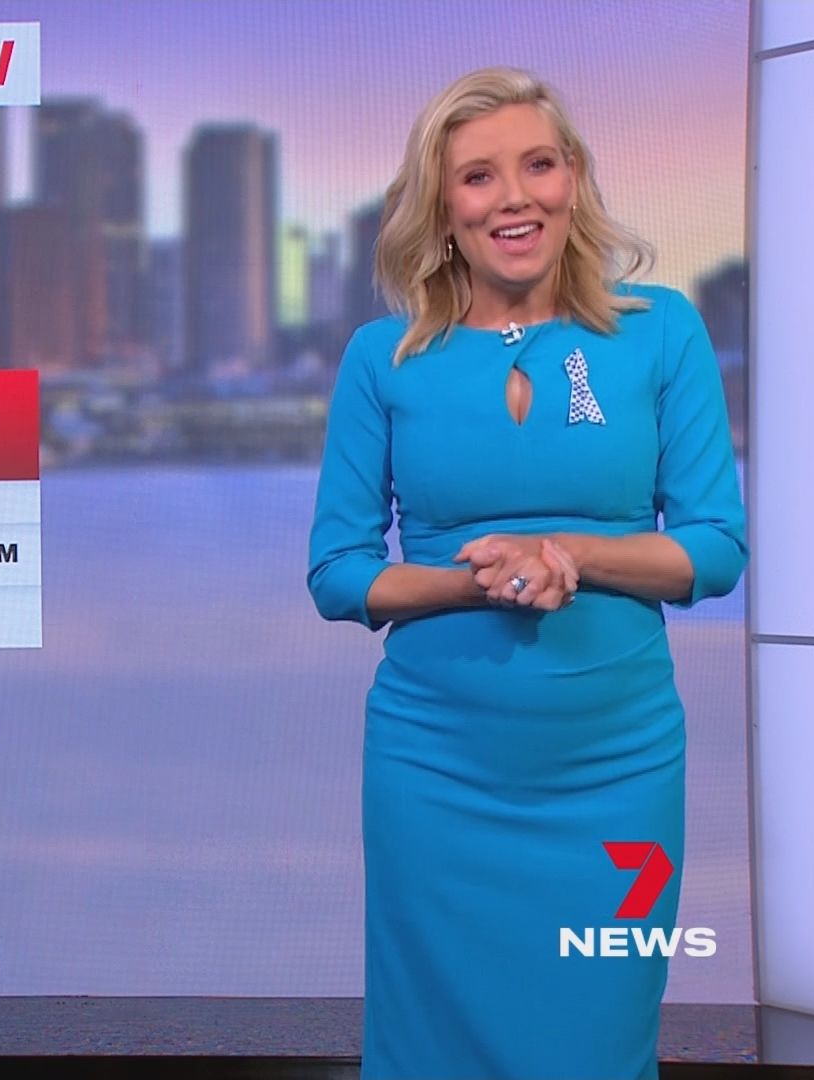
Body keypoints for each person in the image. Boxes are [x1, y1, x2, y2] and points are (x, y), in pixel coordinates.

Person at [306, 67, 746, 1080]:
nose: (514, 197)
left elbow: (715, 548)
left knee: (600, 1040)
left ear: (574, 178)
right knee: (432, 1050)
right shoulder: (381, 358)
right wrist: (479, 583)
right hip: (435, 773)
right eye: (478, 177)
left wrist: (568, 558)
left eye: (538, 165)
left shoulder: (659, 328)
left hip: (618, 771)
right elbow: (339, 572)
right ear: (442, 208)